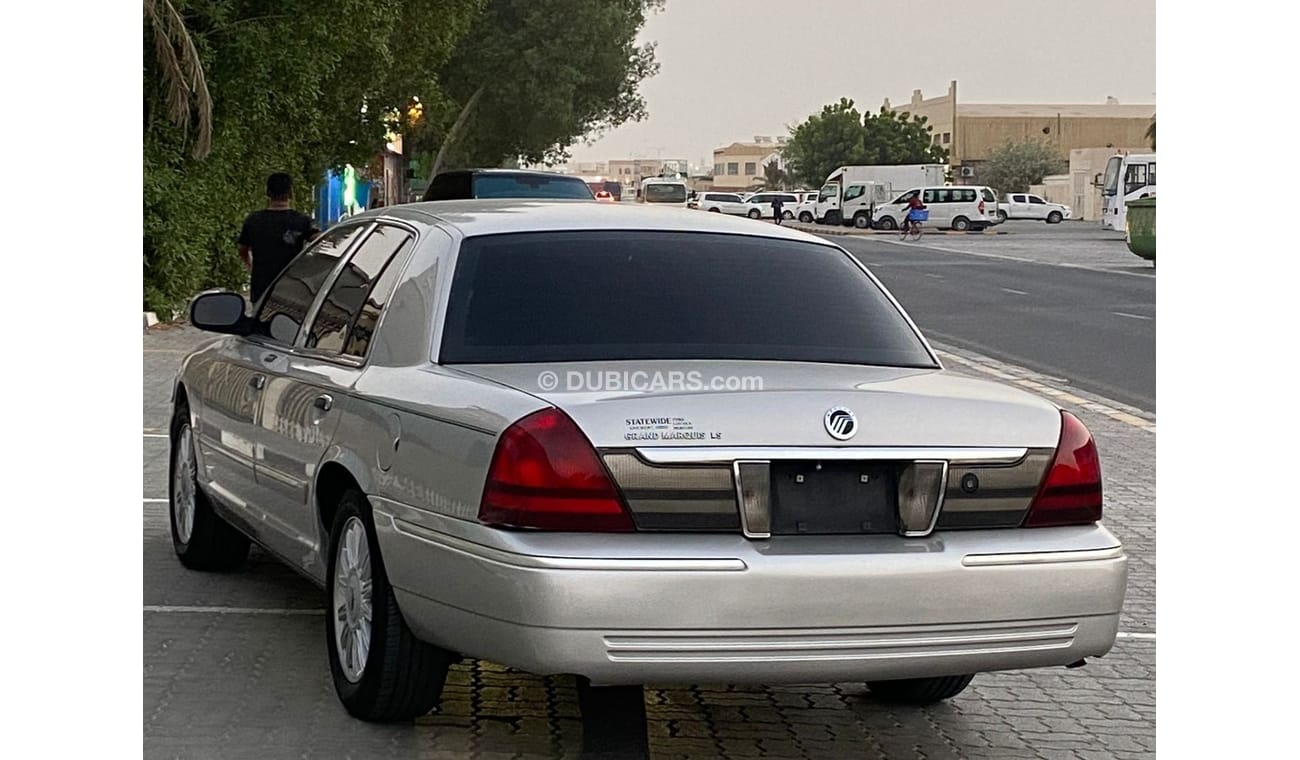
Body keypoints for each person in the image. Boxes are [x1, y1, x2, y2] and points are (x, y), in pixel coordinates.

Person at [237, 173, 320, 303]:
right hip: (292, 288)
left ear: (268, 193)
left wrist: (251, 266)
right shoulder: (302, 221)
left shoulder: (253, 220)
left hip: (262, 288)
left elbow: (242, 250)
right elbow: (321, 242)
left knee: (261, 315)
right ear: (291, 193)